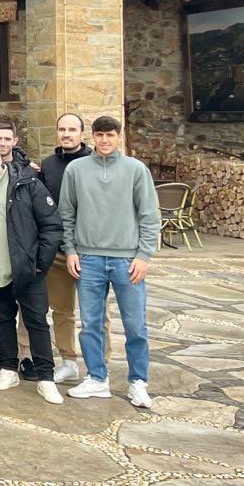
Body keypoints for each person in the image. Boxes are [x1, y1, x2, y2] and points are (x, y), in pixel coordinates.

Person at [60, 115, 160, 409]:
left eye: (110, 135)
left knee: (135, 325)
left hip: (127, 260)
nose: (105, 141)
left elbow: (149, 215)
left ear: (119, 137)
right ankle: (96, 378)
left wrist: (144, 255)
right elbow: (67, 213)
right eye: (100, 135)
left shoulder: (135, 170)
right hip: (88, 259)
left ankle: (138, 382)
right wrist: (71, 250)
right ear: (92, 136)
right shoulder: (76, 170)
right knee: (90, 323)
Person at [0, 141, 64, 404]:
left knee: (37, 323)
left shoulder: (26, 183)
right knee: (2, 321)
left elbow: (51, 226)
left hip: (27, 269)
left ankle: (46, 378)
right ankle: (8, 369)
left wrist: (40, 264)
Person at [39, 113, 93, 384]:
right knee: (61, 310)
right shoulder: (48, 165)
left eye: (72, 129)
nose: (67, 134)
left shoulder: (95, 162)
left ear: (82, 133)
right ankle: (68, 361)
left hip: (90, 250)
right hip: (59, 251)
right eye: (62, 129)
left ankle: (99, 367)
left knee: (95, 314)